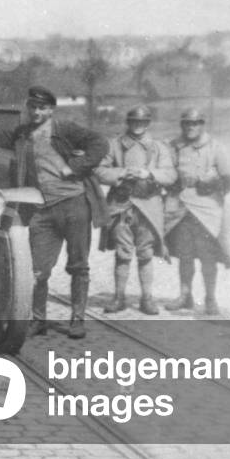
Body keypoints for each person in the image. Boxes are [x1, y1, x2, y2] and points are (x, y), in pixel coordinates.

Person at [0, 86, 107, 338]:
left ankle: (77, 319)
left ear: (51, 110)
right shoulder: (23, 134)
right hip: (42, 209)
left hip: (73, 204)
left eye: (42, 108)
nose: (37, 112)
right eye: (33, 107)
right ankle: (39, 320)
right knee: (37, 270)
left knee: (78, 266)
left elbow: (100, 143)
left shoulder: (65, 130)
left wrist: (75, 166)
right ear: (28, 108)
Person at [97, 105, 176, 315]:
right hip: (121, 205)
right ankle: (119, 297)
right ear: (128, 123)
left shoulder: (159, 147)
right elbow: (100, 171)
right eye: (134, 121)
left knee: (146, 253)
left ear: (148, 124)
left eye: (142, 122)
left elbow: (170, 175)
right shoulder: (114, 145)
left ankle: (147, 299)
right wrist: (122, 173)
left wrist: (148, 173)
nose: (138, 126)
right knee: (122, 253)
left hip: (148, 206)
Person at [164, 109, 230, 315]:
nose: (190, 127)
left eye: (195, 124)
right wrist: (174, 183)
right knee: (184, 254)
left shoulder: (214, 146)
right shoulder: (174, 146)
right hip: (181, 208)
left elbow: (228, 180)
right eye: (186, 123)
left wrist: (210, 183)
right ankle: (185, 295)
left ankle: (210, 298)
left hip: (207, 210)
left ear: (202, 125)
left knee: (207, 257)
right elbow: (167, 171)